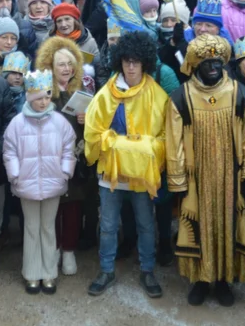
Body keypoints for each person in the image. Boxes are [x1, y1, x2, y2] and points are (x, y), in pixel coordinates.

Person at [165, 34, 245, 306]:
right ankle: (200, 279)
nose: (213, 67)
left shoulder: (241, 94)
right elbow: (174, 143)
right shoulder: (180, 98)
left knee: (228, 225)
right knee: (199, 227)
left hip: (231, 177)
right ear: (194, 65)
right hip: (197, 179)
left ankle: (222, 280)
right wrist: (178, 180)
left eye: (217, 62)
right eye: (206, 62)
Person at [84, 30, 169, 297]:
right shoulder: (104, 95)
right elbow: (92, 131)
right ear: (119, 62)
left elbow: (165, 136)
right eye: (126, 61)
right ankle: (106, 270)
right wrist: (117, 145)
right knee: (108, 224)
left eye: (136, 61)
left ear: (145, 62)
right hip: (111, 172)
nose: (131, 66)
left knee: (145, 223)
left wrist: (142, 149)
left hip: (141, 174)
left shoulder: (157, 94)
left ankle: (147, 270)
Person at [2, 69, 75, 296]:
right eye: (37, 98)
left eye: (46, 97)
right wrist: (15, 175)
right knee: (31, 228)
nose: (42, 102)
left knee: (48, 227)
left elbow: (69, 147)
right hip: (27, 184)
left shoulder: (60, 122)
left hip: (53, 183)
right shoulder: (17, 123)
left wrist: (65, 171)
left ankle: (49, 273)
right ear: (29, 98)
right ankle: (32, 274)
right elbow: (9, 150)